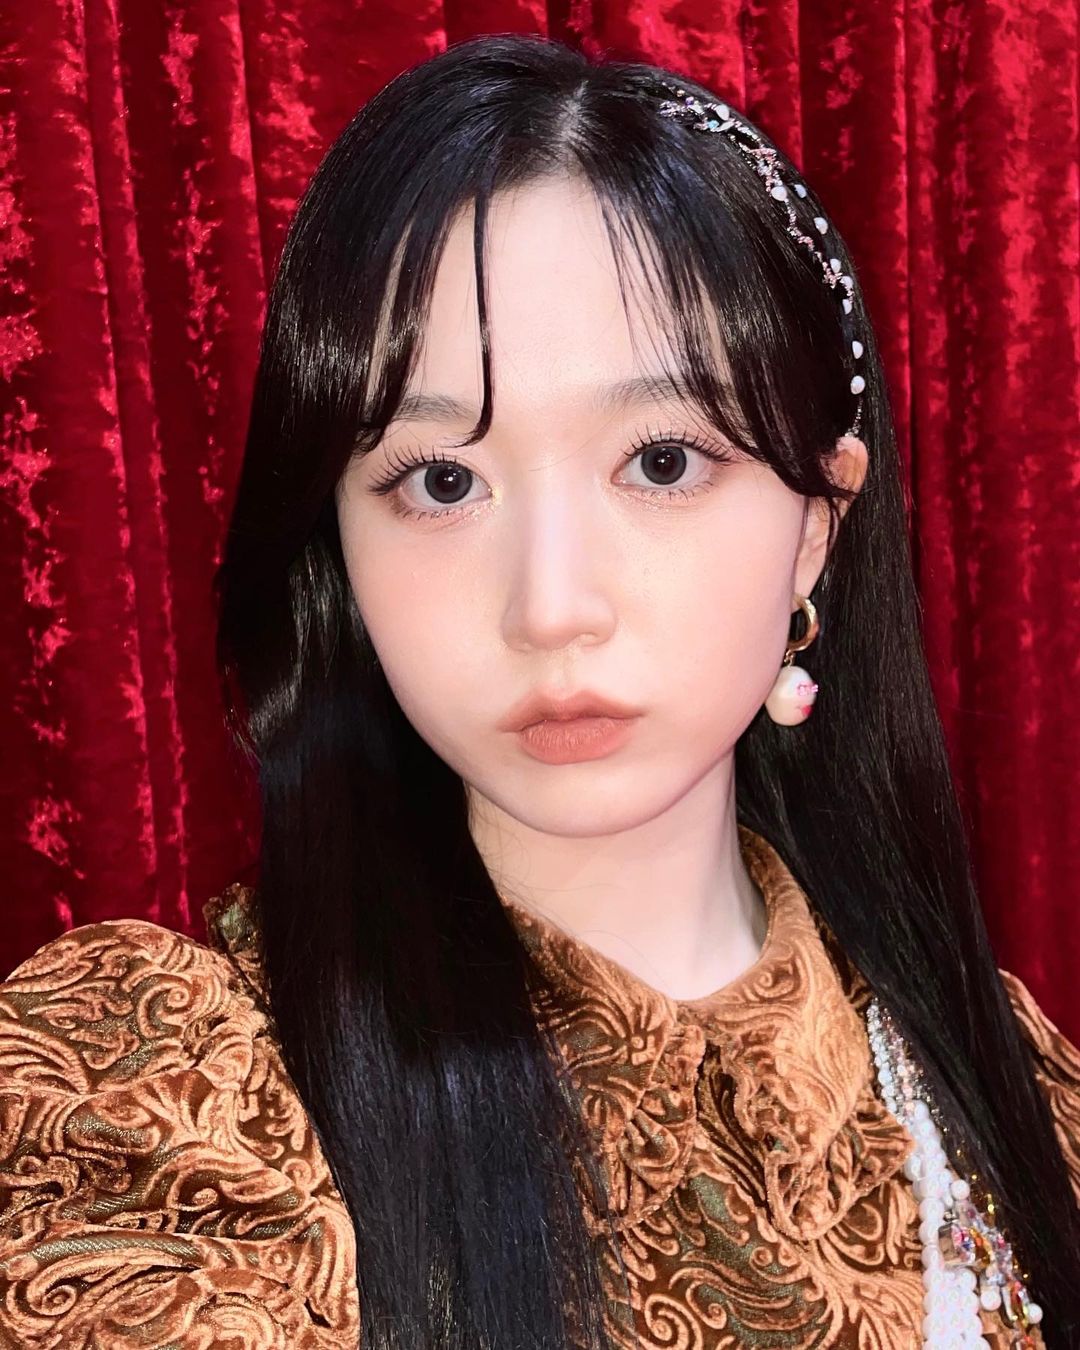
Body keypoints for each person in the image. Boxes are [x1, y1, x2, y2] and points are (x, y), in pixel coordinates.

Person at [0, 31, 1077, 1350]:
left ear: (817, 523)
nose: (552, 605)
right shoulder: (177, 1103)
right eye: (443, 481)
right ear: (339, 542)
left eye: (663, 461)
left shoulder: (1003, 1084)